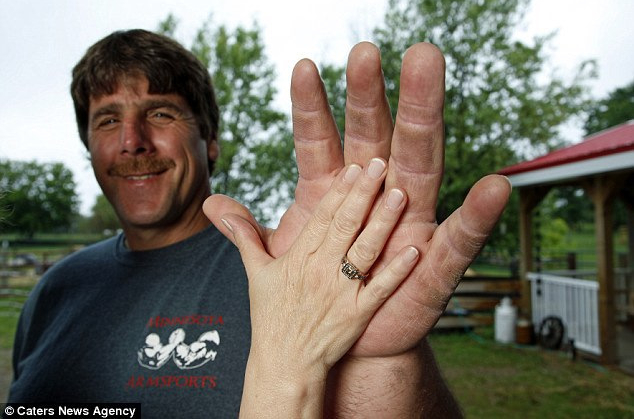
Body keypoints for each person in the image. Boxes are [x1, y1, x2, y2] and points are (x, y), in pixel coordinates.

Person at [7, 29, 511, 417]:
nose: (132, 141)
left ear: (210, 142)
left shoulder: (299, 273)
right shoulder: (54, 292)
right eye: (107, 120)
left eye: (160, 114)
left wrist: (381, 364)